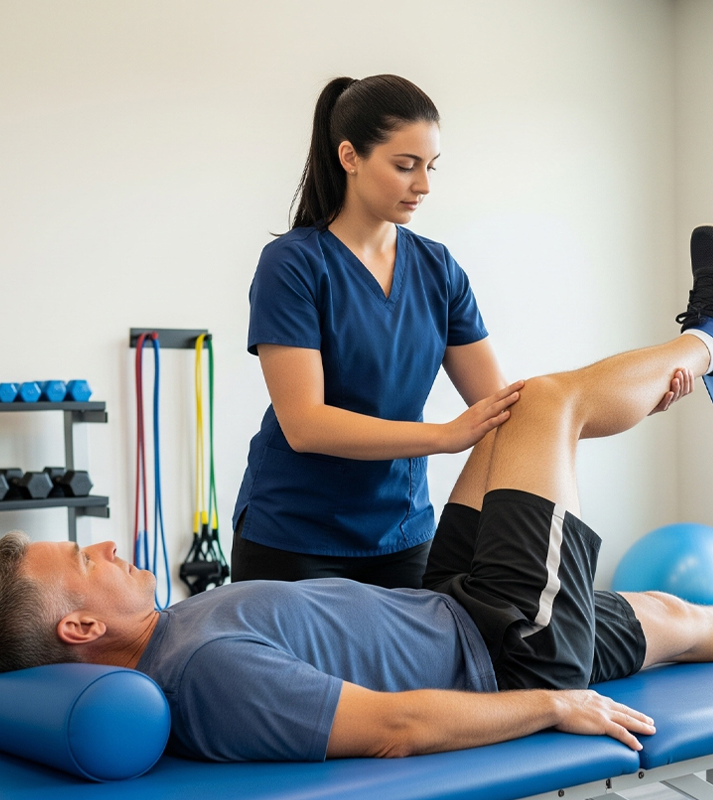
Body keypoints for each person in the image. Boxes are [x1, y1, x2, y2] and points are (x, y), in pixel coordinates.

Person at [0, 226, 713, 763]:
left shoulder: (174, 636)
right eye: (88, 560)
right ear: (79, 628)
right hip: (504, 651)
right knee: (552, 402)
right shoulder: (203, 672)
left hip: (449, 607)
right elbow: (393, 726)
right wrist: (551, 706)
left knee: (664, 606)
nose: (113, 548)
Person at [230, 74, 689, 588]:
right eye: (405, 166)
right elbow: (305, 424)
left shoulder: (437, 268)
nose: (423, 185)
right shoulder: (292, 263)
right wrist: (445, 436)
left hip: (401, 537)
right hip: (294, 539)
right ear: (350, 157)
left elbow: (506, 409)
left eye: (430, 167)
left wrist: (639, 399)